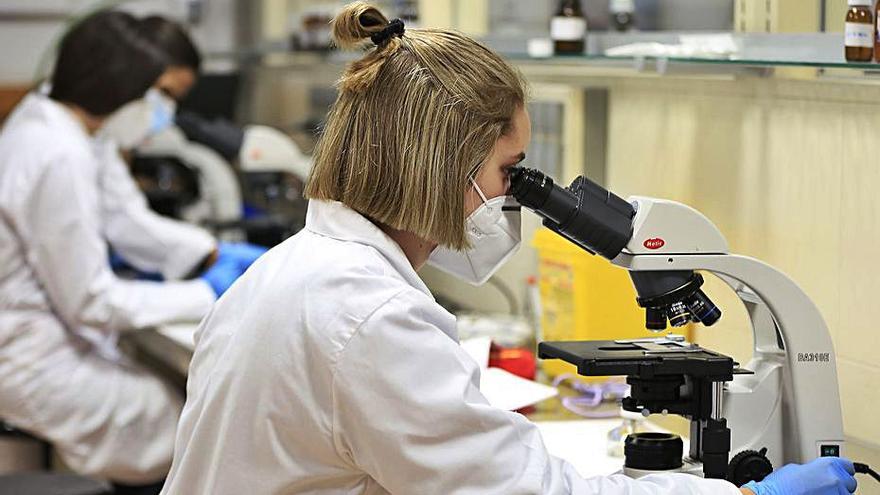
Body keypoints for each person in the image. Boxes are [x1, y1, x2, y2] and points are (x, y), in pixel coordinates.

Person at [159, 3, 857, 494]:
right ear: (444, 168)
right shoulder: (371, 317)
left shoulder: (296, 271)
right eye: (506, 172)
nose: (512, 198)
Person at [0, 10, 262, 493]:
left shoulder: (60, 126)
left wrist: (210, 250)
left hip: (45, 340)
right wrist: (206, 292)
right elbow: (92, 302)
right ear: (118, 85)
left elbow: (122, 218)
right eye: (154, 92)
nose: (157, 108)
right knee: (196, 429)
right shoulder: (59, 152)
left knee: (182, 406)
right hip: (33, 358)